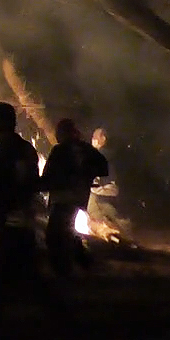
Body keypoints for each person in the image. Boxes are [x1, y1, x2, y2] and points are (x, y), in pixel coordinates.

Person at [0, 102, 46, 329]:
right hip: (23, 220)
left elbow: (1, 190)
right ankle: (57, 315)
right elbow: (30, 183)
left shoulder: (3, 153)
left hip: (9, 222)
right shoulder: (25, 148)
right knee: (27, 273)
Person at [40, 118, 108, 277]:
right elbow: (103, 167)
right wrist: (87, 176)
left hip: (63, 199)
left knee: (54, 235)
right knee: (68, 232)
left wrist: (35, 185)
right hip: (79, 198)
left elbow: (48, 178)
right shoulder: (86, 149)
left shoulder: (60, 150)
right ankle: (85, 263)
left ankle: (64, 271)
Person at [86, 127, 126, 235]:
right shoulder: (107, 155)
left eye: (95, 137)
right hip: (110, 203)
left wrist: (93, 189)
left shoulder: (103, 156)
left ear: (103, 138)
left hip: (107, 204)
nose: (92, 140)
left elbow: (113, 188)